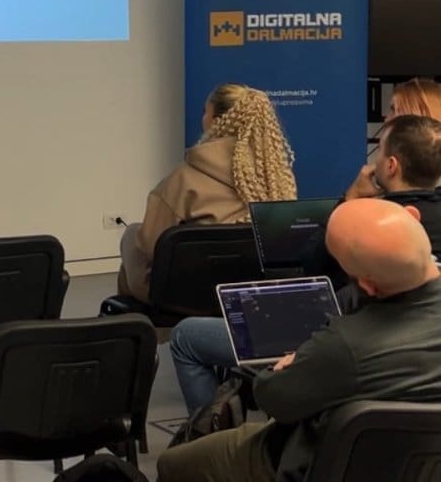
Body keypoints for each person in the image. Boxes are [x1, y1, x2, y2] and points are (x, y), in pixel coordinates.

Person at [170, 114, 441, 415]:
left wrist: (351, 198)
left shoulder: (362, 224)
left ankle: (206, 430)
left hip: (328, 342)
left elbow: (311, 265)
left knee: (186, 337)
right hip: (402, 366)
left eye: (379, 154)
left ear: (390, 166)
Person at [157, 198, 441, 482]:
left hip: (316, 463)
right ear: (413, 217)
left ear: (367, 285)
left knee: (172, 464)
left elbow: (273, 401)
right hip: (418, 465)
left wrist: (288, 366)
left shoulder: (343, 347)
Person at [118, 84, 296, 302]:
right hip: (254, 293)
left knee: (131, 236)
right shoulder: (277, 181)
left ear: (216, 121)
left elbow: (151, 247)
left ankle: (124, 317)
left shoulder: (182, 180)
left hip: (185, 298)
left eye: (205, 112)